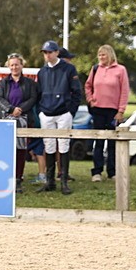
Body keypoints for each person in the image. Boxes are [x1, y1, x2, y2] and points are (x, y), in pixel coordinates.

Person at [35, 40, 82, 194]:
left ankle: (63, 181)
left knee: (63, 146)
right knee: (48, 146)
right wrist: (41, 111)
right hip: (47, 113)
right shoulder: (42, 72)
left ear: (56, 53)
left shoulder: (69, 69)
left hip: (63, 113)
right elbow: (38, 94)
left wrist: (71, 112)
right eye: (45, 52)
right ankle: (50, 182)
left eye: (49, 52)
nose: (47, 55)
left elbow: (77, 92)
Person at [84, 44, 129, 182]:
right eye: (100, 55)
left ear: (110, 55)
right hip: (97, 109)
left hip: (113, 111)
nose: (101, 57)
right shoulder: (95, 69)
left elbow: (124, 91)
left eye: (104, 54)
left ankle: (112, 172)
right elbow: (88, 85)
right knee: (98, 141)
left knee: (112, 143)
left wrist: (121, 111)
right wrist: (90, 99)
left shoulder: (120, 70)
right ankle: (96, 172)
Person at [0, 53, 39, 193]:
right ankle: (6, 179)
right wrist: (11, 109)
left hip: (24, 119)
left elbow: (33, 98)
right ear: (8, 66)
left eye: (17, 64)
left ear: (22, 65)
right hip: (7, 119)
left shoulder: (30, 83)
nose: (14, 67)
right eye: (12, 65)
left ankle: (18, 179)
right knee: (6, 150)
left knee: (20, 151)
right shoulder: (3, 82)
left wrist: (20, 109)